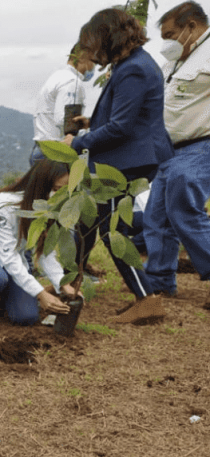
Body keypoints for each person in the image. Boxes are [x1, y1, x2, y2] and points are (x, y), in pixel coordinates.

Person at [64, 8, 174, 324]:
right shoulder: (133, 64)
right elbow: (126, 118)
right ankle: (71, 285)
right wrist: (93, 122)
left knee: (110, 231)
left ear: (109, 38)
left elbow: (122, 127)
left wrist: (79, 141)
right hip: (127, 157)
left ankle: (147, 298)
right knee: (90, 223)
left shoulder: (133, 70)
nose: (91, 54)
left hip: (126, 161)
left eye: (93, 45)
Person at [143, 1, 210, 307]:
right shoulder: (175, 62)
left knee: (185, 211)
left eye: (171, 34)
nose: (167, 42)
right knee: (156, 218)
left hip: (200, 145)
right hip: (168, 151)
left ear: (191, 27)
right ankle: (158, 283)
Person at [0, 159, 77, 326]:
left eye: (65, 191)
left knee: (26, 317)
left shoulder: (47, 209)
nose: (59, 196)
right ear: (40, 184)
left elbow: (45, 252)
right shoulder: (4, 206)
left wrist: (62, 284)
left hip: (12, 261)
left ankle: (4, 301)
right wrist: (41, 294)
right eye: (56, 189)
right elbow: (9, 256)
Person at [31, 43, 96, 165]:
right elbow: (64, 120)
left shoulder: (57, 76)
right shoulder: (72, 82)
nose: (94, 67)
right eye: (93, 61)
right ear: (82, 58)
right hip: (56, 152)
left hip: (42, 149)